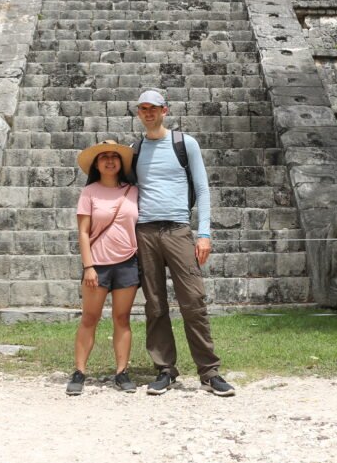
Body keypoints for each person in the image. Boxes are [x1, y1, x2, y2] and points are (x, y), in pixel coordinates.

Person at [133, 90, 235, 397]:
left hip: (178, 230)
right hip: (146, 231)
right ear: (139, 113)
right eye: (143, 109)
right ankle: (165, 370)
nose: (148, 113)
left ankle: (209, 372)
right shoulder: (135, 149)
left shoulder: (184, 143)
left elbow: (202, 190)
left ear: (165, 110)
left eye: (153, 108)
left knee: (193, 301)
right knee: (154, 304)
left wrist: (204, 233)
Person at [66, 139, 140, 396]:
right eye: (103, 157)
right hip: (97, 265)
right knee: (90, 318)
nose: (109, 160)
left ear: (121, 163)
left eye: (114, 156)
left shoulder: (133, 191)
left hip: (127, 263)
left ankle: (121, 371)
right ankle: (79, 371)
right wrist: (88, 266)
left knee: (122, 319)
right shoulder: (90, 193)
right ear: (97, 164)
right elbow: (83, 232)